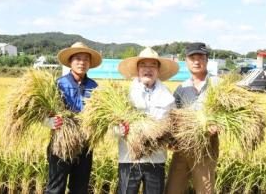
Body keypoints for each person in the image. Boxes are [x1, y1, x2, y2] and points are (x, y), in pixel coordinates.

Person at [116, 47, 179, 194]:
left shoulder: (168, 97)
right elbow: (110, 128)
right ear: (137, 69)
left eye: (153, 66)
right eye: (144, 65)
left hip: (156, 160)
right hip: (129, 158)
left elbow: (174, 125)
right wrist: (121, 130)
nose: (148, 69)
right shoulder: (124, 95)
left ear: (158, 70)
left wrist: (171, 140)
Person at [44, 42, 102, 194]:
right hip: (61, 143)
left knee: (80, 189)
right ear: (70, 61)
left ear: (89, 64)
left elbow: (100, 117)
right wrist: (50, 123)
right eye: (77, 58)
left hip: (85, 146)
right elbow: (42, 114)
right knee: (55, 189)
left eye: (86, 59)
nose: (82, 62)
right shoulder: (57, 84)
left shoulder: (94, 87)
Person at [165, 42, 219, 194]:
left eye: (200, 57)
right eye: (192, 58)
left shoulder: (218, 85)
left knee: (205, 191)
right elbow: (172, 118)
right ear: (186, 62)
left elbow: (232, 113)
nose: (196, 61)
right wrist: (170, 139)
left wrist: (218, 124)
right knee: (172, 189)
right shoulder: (181, 88)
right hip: (182, 147)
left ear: (207, 60)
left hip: (206, 148)